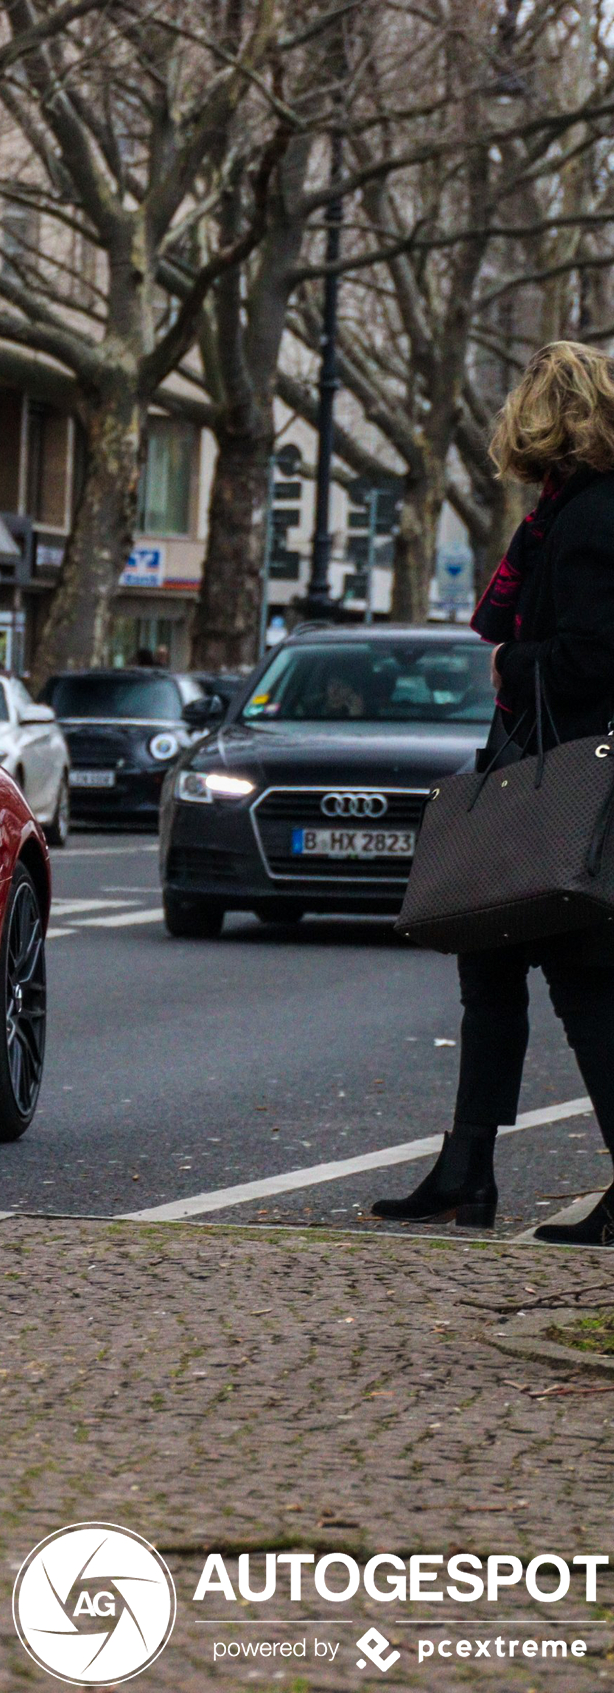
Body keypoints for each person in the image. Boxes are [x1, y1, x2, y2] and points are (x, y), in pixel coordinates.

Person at [375, 341, 614, 1244]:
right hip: (539, 767)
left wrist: (512, 660)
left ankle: (476, 1168)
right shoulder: (563, 516)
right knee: (492, 966)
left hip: (567, 780)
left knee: (587, 982)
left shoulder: (591, 519)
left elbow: (593, 656)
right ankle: (466, 1166)